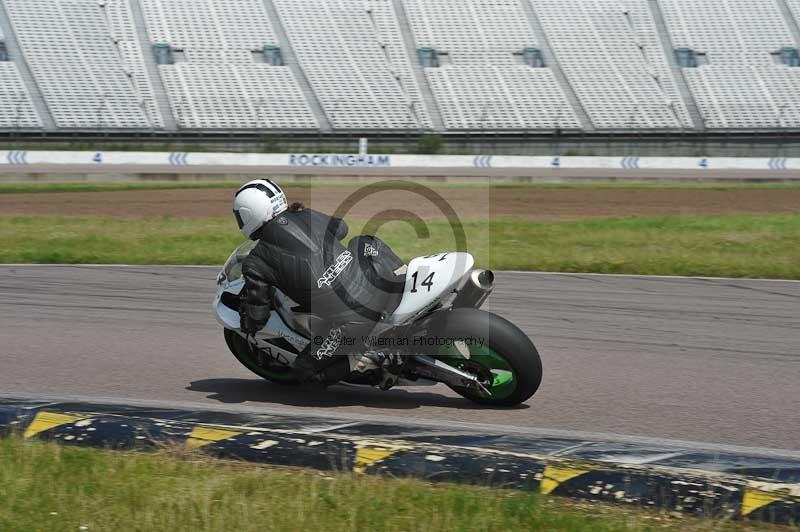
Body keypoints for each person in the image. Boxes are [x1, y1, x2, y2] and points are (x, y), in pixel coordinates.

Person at [232, 179, 404, 383]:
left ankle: (370, 358)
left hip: (352, 322)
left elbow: (258, 314)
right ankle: (403, 275)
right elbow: (342, 228)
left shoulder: (256, 261)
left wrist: (247, 325)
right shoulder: (305, 215)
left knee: (305, 372)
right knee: (362, 241)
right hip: (376, 287)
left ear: (248, 213)